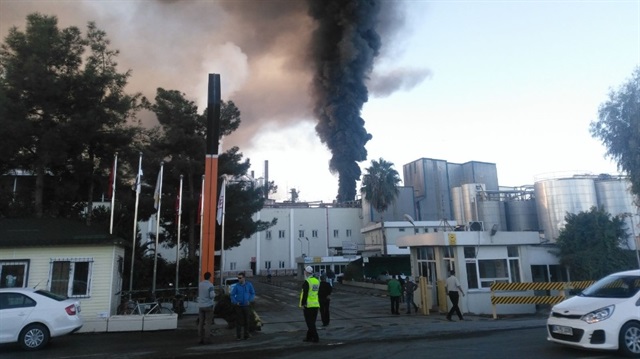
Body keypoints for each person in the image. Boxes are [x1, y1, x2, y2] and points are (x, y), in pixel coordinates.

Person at [230, 272, 255, 340]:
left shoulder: (249, 285)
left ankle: (246, 335)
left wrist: (249, 300)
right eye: (238, 278)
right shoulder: (237, 286)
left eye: (240, 278)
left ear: (244, 278)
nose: (239, 279)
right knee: (239, 321)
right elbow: (232, 295)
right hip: (239, 306)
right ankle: (238, 336)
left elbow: (252, 293)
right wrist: (235, 302)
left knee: (247, 320)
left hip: (246, 306)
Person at [299, 265, 320, 342]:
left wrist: (303, 304)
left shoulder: (307, 282)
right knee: (312, 322)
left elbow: (305, 294)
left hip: (308, 305)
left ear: (307, 272)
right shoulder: (317, 281)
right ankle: (309, 337)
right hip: (316, 304)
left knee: (309, 323)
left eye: (305, 271)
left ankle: (316, 338)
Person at [197, 272, 215, 344]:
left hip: (201, 306)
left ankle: (200, 339)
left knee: (201, 322)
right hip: (208, 305)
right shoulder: (210, 285)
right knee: (208, 323)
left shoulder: (200, 284)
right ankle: (207, 339)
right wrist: (215, 294)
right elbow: (211, 295)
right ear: (210, 277)